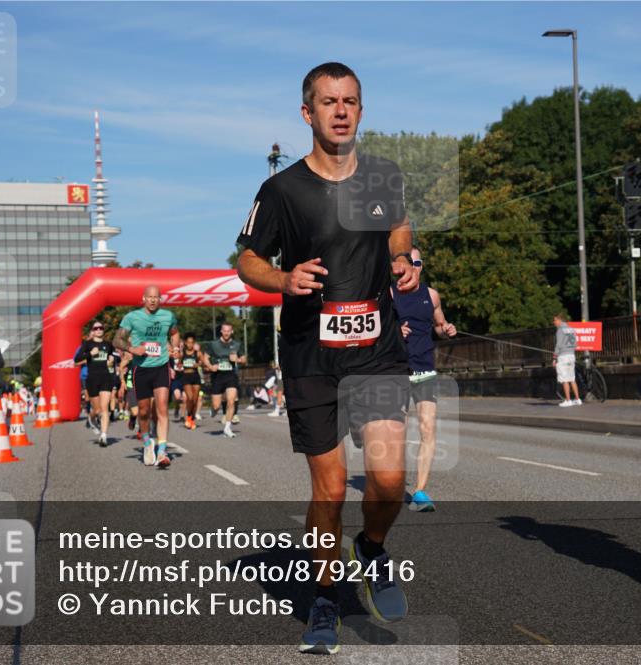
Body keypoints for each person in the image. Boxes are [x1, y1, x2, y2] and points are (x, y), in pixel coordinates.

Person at [237, 61, 417, 655]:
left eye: (350, 101)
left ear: (361, 110)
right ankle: (324, 599)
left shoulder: (383, 177)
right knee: (331, 488)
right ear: (307, 112)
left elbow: (399, 227)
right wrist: (283, 279)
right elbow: (246, 260)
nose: (340, 111)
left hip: (377, 350)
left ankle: (370, 547)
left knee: (389, 479)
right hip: (311, 354)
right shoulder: (281, 190)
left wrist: (404, 256)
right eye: (328, 101)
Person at [393, 247, 456, 512]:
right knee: (397, 431)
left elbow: (440, 325)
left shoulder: (431, 296)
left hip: (424, 369)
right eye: (409, 262)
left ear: (420, 266)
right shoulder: (389, 293)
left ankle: (419, 491)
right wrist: (394, 330)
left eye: (417, 262)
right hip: (396, 369)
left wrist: (446, 329)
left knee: (428, 428)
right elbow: (376, 326)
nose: (413, 266)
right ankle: (390, 485)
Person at [114, 285, 180, 468]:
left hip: (161, 367)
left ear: (160, 299)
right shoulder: (132, 317)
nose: (152, 300)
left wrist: (175, 348)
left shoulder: (168, 316)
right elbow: (117, 339)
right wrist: (132, 349)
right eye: (149, 297)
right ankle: (147, 442)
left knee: (162, 408)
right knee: (143, 412)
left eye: (156, 297)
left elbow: (175, 333)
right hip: (141, 369)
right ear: (143, 298)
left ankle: (162, 451)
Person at [74, 320, 115, 446]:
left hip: (106, 378)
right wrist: (90, 354)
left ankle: (103, 436)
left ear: (103, 330)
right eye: (96, 328)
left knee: (104, 408)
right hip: (92, 379)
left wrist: (112, 361)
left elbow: (112, 359)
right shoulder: (87, 344)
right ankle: (91, 419)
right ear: (92, 331)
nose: (98, 330)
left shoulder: (108, 344)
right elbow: (76, 360)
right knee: (97, 410)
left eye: (100, 328)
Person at [203, 323, 246, 439]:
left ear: (232, 332)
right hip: (217, 376)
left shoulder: (237, 344)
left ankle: (227, 428)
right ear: (221, 331)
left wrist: (237, 359)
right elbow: (205, 358)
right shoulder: (213, 344)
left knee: (231, 401)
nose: (226, 333)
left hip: (231, 375)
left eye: (228, 331)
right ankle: (214, 409)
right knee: (216, 406)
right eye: (224, 331)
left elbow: (244, 359)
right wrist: (211, 367)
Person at [552, 314, 581, 407]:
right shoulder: (571, 329)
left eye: (555, 320)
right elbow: (575, 344)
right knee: (572, 378)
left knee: (564, 379)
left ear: (560, 320)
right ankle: (577, 399)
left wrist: (554, 358)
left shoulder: (560, 330)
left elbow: (558, 345)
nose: (554, 322)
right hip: (571, 355)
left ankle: (568, 400)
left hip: (563, 356)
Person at [180, 333, 205, 429]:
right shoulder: (182, 353)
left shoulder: (197, 353)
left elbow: (203, 362)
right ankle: (189, 416)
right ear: (185, 343)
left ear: (194, 343)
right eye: (188, 342)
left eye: (192, 342)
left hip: (195, 376)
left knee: (195, 400)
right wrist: (179, 365)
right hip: (186, 376)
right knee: (189, 398)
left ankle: (191, 419)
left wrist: (198, 364)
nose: (190, 344)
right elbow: (178, 364)